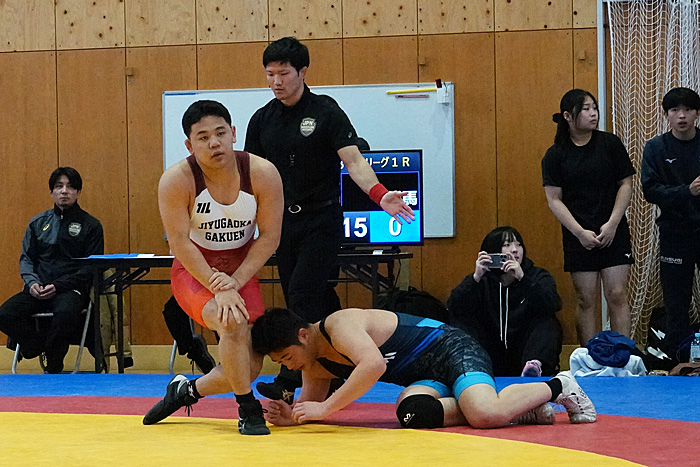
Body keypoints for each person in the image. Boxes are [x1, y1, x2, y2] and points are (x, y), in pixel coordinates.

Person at [243, 36, 414, 401]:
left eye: (283, 73)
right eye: (270, 74)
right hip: (282, 224)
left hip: (321, 220)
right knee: (315, 296)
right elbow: (250, 176)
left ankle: (291, 377)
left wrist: (380, 194)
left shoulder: (326, 112)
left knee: (302, 294)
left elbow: (354, 161)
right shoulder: (261, 120)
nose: (276, 81)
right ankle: (337, 364)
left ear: (303, 72)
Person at [144, 100, 283, 436]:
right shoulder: (176, 180)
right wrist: (217, 284)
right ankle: (247, 408)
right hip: (195, 271)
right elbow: (180, 243)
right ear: (189, 145)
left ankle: (187, 391)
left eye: (220, 133)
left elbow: (270, 237)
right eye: (203, 137)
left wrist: (233, 281)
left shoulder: (263, 173)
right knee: (231, 321)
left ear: (234, 133)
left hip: (241, 269)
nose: (214, 143)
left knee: (250, 367)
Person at [250, 307, 596, 429]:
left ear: (302, 335)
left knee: (484, 415)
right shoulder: (314, 362)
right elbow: (312, 408)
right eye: (281, 363)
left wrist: (325, 407)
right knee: (413, 413)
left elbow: (372, 365)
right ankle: (521, 409)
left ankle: (559, 385)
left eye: (286, 357)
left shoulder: (338, 325)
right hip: (425, 376)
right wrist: (293, 416)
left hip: (451, 348)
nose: (288, 366)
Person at [542, 89, 636, 346]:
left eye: (594, 107)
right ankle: (591, 356)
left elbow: (626, 184)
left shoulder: (610, 144)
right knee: (586, 299)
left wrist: (613, 223)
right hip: (578, 234)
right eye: (586, 109)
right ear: (567, 116)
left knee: (617, 294)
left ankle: (622, 354)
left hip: (613, 230)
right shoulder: (555, 155)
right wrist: (579, 232)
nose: (593, 113)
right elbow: (554, 200)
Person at [0, 167, 104, 373]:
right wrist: (32, 283)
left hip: (70, 289)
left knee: (66, 313)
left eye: (70, 187)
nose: (64, 191)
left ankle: (54, 365)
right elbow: (26, 259)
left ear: (78, 192)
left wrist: (58, 286)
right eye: (59, 186)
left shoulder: (91, 225)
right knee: (4, 314)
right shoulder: (38, 223)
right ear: (51, 192)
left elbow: (92, 268)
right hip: (38, 288)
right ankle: (36, 345)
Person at [447, 226, 563, 377]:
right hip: (489, 353)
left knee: (548, 321)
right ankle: (470, 368)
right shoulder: (482, 280)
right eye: (507, 245)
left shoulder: (536, 275)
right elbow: (454, 307)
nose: (515, 250)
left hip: (525, 350)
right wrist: (475, 278)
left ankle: (534, 366)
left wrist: (523, 279)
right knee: (461, 320)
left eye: (518, 244)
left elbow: (553, 304)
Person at [641, 87, 700, 363]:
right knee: (676, 302)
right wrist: (686, 191)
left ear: (697, 113)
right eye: (675, 110)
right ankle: (677, 361)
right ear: (666, 115)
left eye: (688, 109)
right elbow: (650, 191)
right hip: (674, 233)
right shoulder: (656, 148)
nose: (682, 116)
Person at [162, 295, 216, 374]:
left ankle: (228, 358)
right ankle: (193, 350)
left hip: (222, 294)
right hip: (196, 292)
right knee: (171, 310)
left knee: (219, 311)